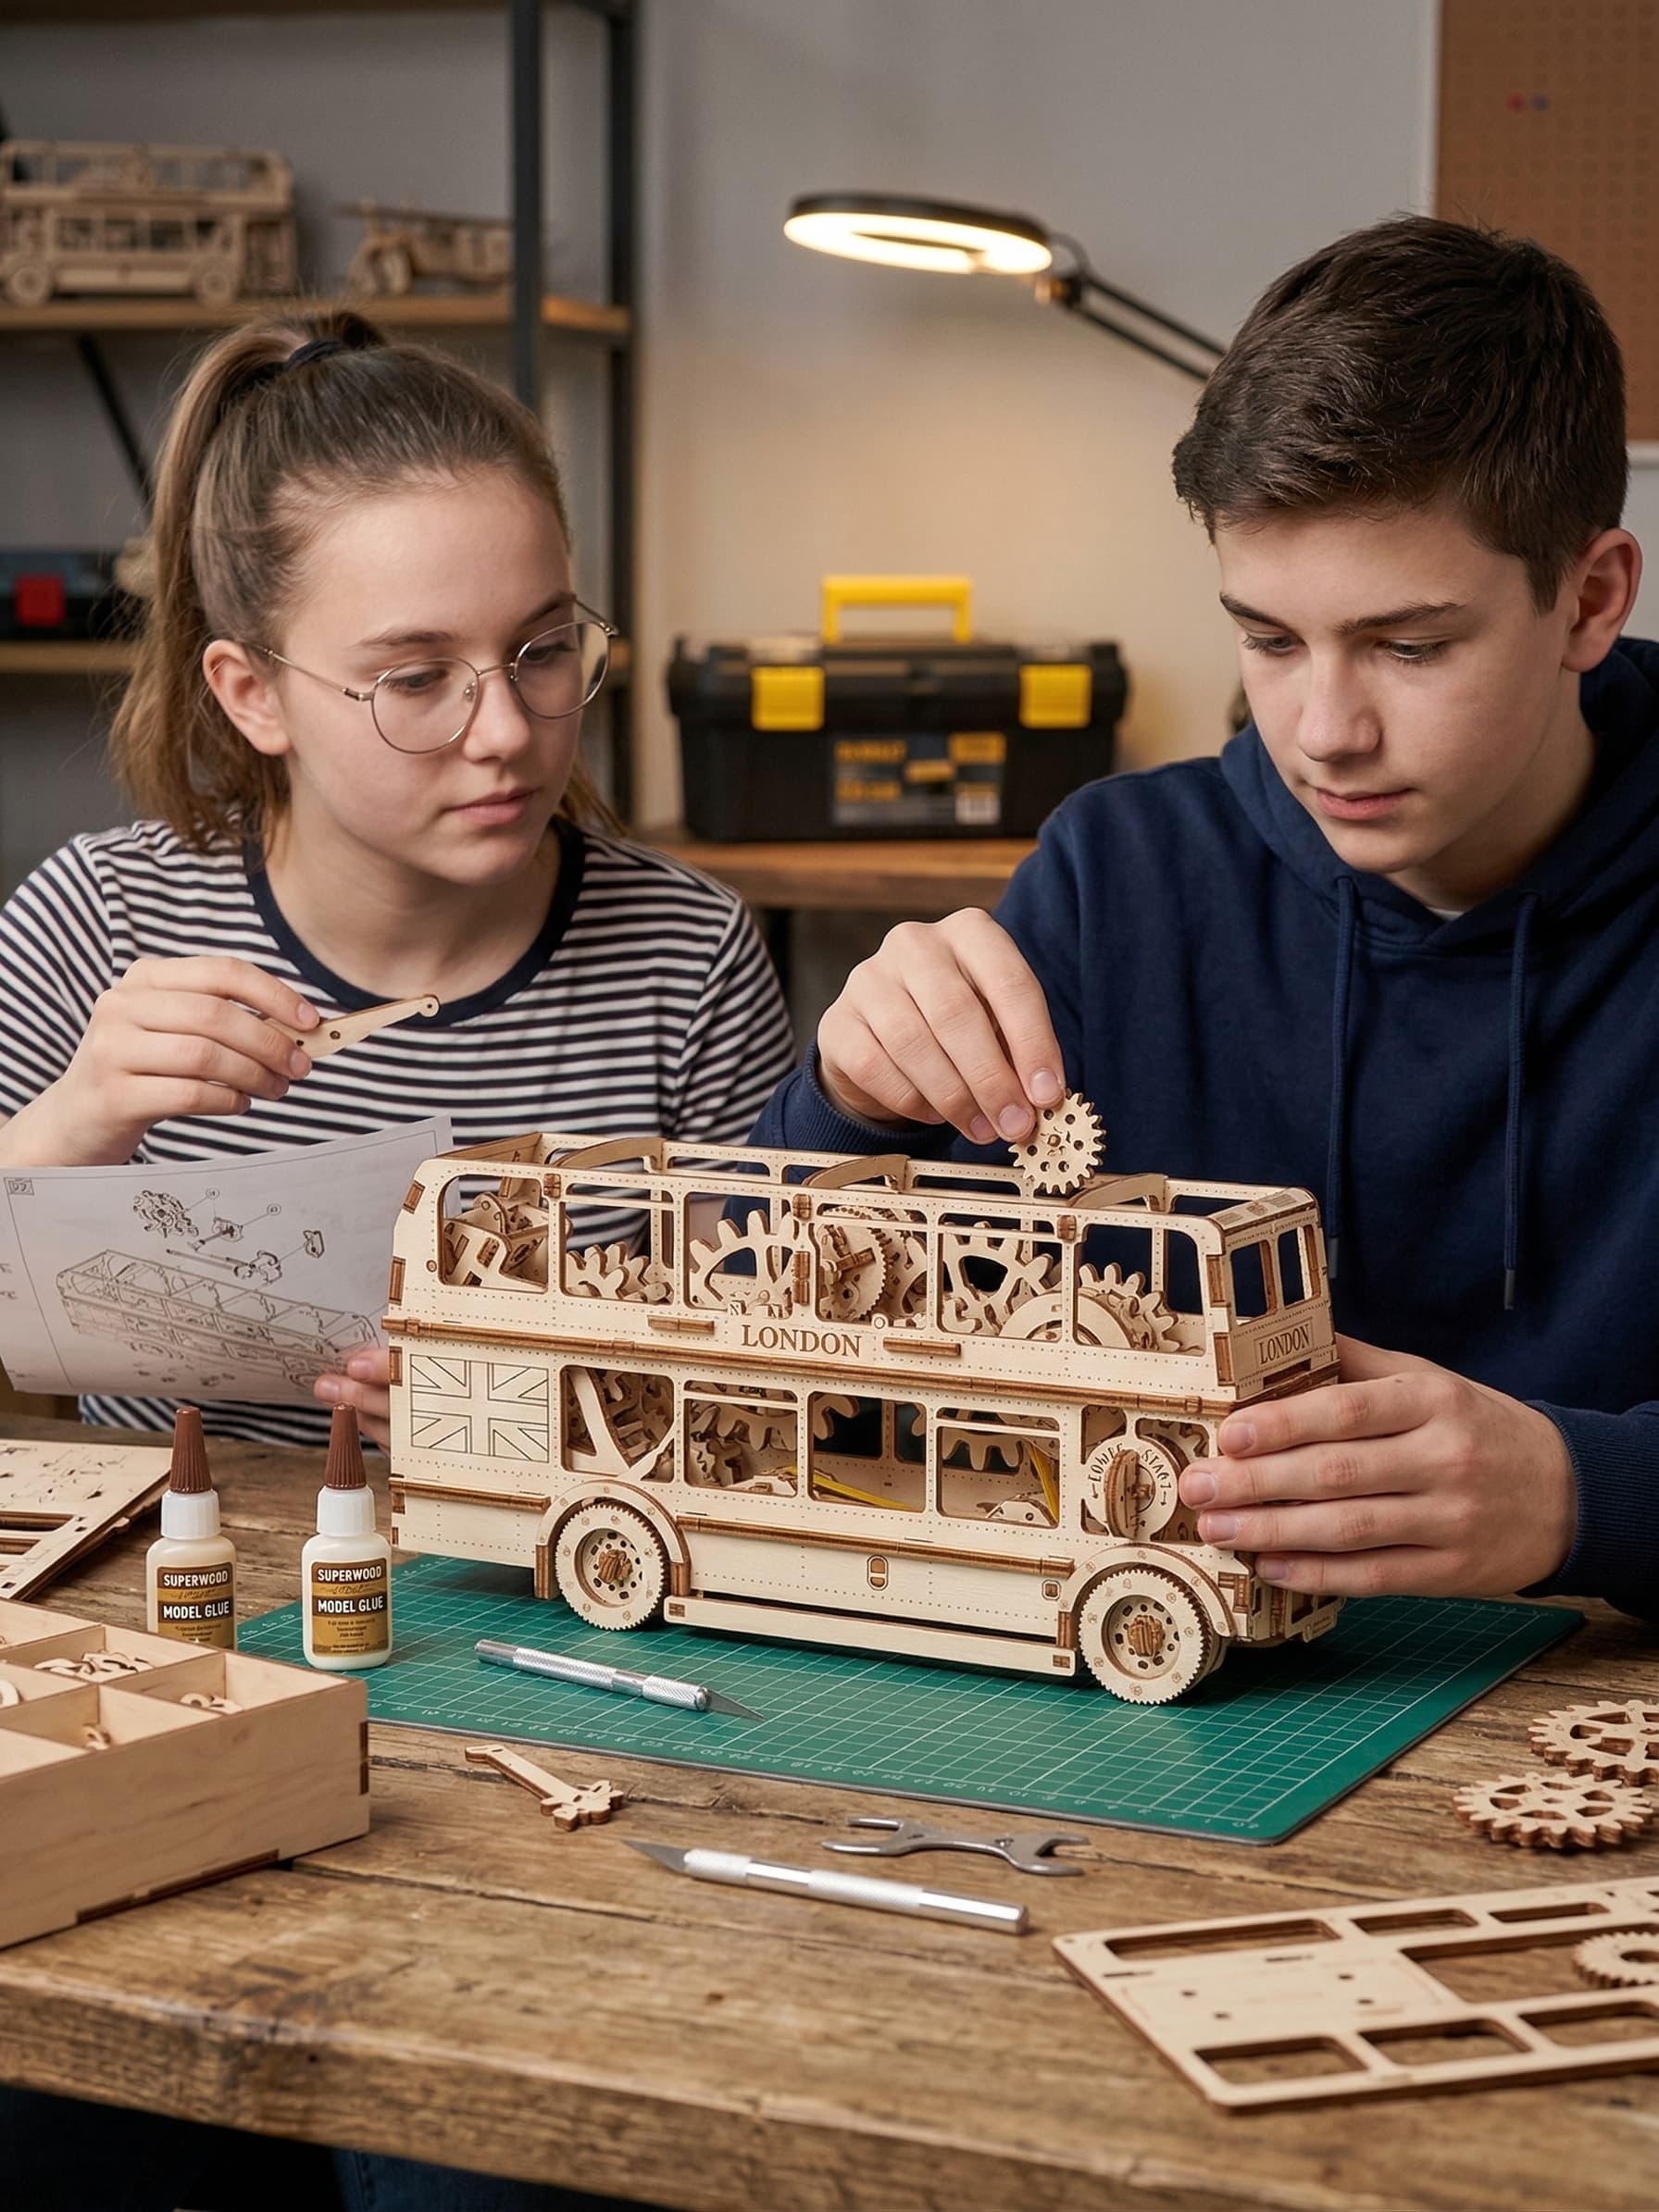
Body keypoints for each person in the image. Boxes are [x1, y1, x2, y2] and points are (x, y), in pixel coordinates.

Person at [753, 215, 1659, 1621]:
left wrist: (1588, 1493)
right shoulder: (1117, 874)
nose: (1324, 732)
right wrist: (849, 1105)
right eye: (1269, 638)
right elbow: (773, 1348)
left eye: (1411, 645)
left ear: (1589, 600)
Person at [0, 310, 793, 1453]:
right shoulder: (99, 920)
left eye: (544, 647)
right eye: (416, 677)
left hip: (540, 1590)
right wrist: (68, 1133)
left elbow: (756, 1397)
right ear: (249, 692)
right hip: (177, 1592)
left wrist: (541, 1421)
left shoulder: (686, 954)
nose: (507, 731)